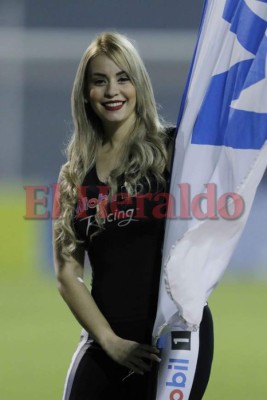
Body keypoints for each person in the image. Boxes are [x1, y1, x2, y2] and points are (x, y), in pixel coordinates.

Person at [52, 32, 213, 400]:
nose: (113, 91)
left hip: (178, 337)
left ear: (138, 84)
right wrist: (109, 341)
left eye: (123, 78)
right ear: (85, 93)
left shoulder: (176, 150)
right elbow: (67, 273)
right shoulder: (74, 176)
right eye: (100, 81)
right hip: (106, 343)